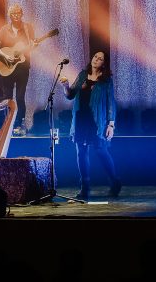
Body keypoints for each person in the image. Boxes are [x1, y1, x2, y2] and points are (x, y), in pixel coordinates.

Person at [60, 50, 122, 200]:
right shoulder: (82, 75)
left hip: (97, 121)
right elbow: (70, 95)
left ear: (103, 63)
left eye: (100, 59)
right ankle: (85, 188)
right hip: (81, 118)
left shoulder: (106, 80)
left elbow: (110, 103)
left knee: (101, 150)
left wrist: (111, 125)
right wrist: (66, 86)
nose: (96, 60)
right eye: (95, 57)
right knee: (81, 151)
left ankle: (114, 182)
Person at [0, 4, 36, 136]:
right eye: (14, 14)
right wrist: (5, 56)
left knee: (20, 97)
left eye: (19, 13)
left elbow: (31, 46)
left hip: (23, 67)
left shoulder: (28, 28)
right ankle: (8, 124)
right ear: (10, 16)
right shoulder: (4, 29)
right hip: (7, 66)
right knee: (7, 97)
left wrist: (33, 46)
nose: (16, 16)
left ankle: (20, 123)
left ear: (22, 14)